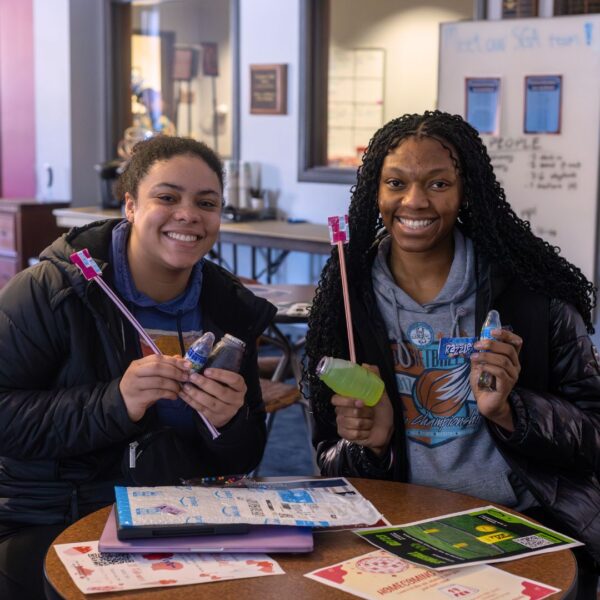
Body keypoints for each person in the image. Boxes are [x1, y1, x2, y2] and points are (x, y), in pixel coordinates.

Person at [303, 111, 600, 597]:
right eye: (396, 182)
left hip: (521, 525)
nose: (414, 201)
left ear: (466, 193)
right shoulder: (344, 308)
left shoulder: (532, 297)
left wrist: (510, 410)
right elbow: (329, 466)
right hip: (394, 534)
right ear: (375, 193)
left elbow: (593, 438)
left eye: (438, 183)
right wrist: (371, 446)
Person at [0, 135, 275, 598]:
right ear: (129, 204)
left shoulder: (231, 309)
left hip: (178, 516)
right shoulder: (51, 291)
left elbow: (241, 457)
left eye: (206, 202)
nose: (188, 214)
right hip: (52, 516)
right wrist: (115, 402)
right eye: (167, 197)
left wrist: (230, 422)